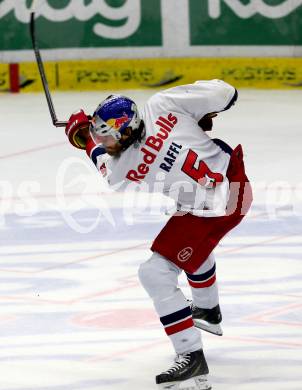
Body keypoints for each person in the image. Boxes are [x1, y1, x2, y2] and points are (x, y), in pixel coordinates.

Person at [65, 79, 253, 390]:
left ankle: (191, 355)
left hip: (216, 206)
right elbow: (227, 92)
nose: (107, 145)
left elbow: (104, 166)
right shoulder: (163, 104)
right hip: (233, 182)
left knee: (154, 273)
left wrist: (84, 137)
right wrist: (201, 111)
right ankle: (207, 309)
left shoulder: (124, 165)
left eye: (109, 139)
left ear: (126, 132)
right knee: (189, 243)